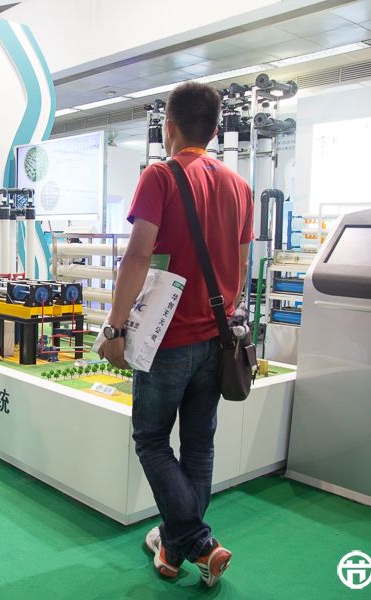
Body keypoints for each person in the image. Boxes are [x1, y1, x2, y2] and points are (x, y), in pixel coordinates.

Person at [97, 82, 253, 588]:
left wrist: (115, 326)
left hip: (165, 342)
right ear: (215, 130)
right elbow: (241, 267)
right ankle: (171, 549)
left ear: (169, 126)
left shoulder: (159, 176)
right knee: (199, 447)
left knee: (150, 439)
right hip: (217, 340)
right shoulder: (240, 186)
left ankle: (199, 542)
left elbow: (138, 255)